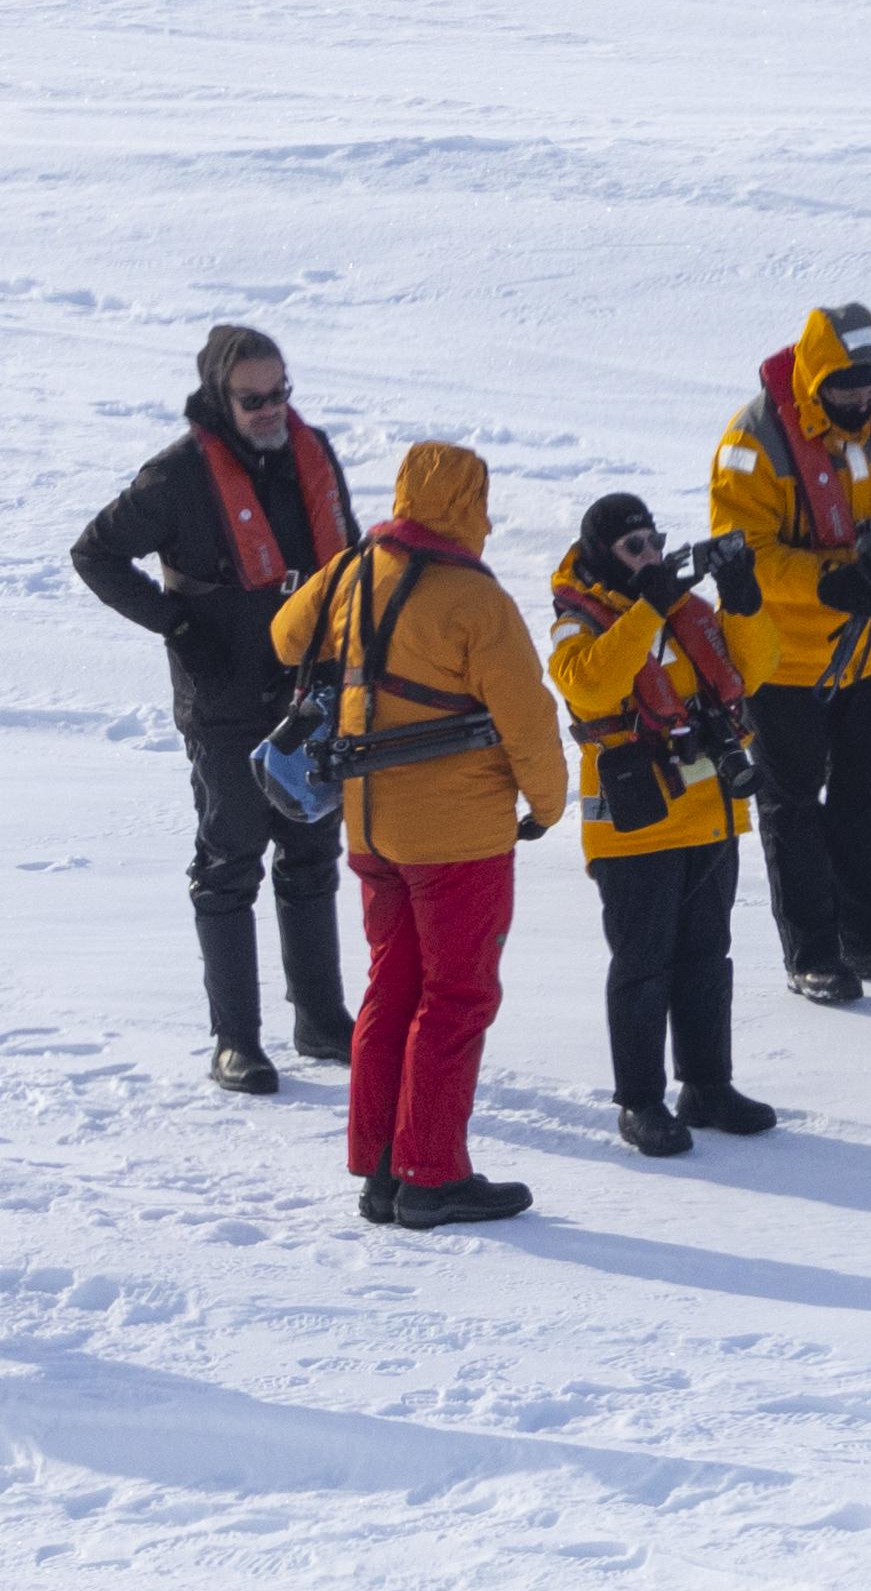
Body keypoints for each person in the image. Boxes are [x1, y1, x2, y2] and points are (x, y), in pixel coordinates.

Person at [269, 442, 564, 1230]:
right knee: (456, 996)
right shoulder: (476, 599)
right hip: (458, 835)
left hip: (370, 826)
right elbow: (529, 718)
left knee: (390, 987)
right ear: (469, 503)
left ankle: (379, 1168)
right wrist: (547, 804)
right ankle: (431, 1176)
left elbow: (285, 637)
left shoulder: (352, 570)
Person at [71, 324, 359, 1091]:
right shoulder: (175, 477)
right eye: (252, 397)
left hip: (309, 691)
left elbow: (352, 559)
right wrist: (176, 625)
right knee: (230, 862)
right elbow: (94, 553)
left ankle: (320, 1019)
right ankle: (236, 1042)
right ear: (218, 396)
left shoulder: (313, 455)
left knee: (311, 854)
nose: (270, 409)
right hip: (224, 697)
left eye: (279, 393)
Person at [711, 304, 871, 1004]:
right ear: (814, 381)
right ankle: (811, 953)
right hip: (781, 661)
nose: (860, 396)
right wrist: (830, 580)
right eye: (844, 385)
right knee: (792, 806)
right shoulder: (752, 443)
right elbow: (742, 551)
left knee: (870, 797)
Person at [542, 492, 778, 1156]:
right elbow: (591, 686)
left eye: (655, 542)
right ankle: (640, 1102)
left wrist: (743, 599)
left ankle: (707, 1086)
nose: (649, 555)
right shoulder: (576, 624)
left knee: (707, 959)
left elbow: (754, 668)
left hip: (709, 816)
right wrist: (647, 607)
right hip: (636, 825)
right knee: (642, 965)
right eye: (633, 547)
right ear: (602, 555)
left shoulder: (685, 611)